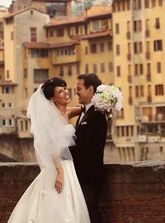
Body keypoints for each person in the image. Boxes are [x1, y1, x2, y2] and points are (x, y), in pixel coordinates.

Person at [8, 77, 90, 222]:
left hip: (69, 165)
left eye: (65, 89)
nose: (66, 92)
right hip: (60, 166)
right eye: (60, 91)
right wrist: (59, 172)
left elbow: (87, 109)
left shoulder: (68, 112)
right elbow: (52, 146)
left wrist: (104, 101)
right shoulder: (50, 118)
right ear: (52, 98)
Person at [70, 73, 108, 223]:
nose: (76, 92)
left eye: (79, 88)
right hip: (83, 176)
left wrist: (62, 152)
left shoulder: (97, 114)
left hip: (90, 176)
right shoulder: (85, 112)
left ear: (90, 89)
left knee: (90, 213)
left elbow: (88, 147)